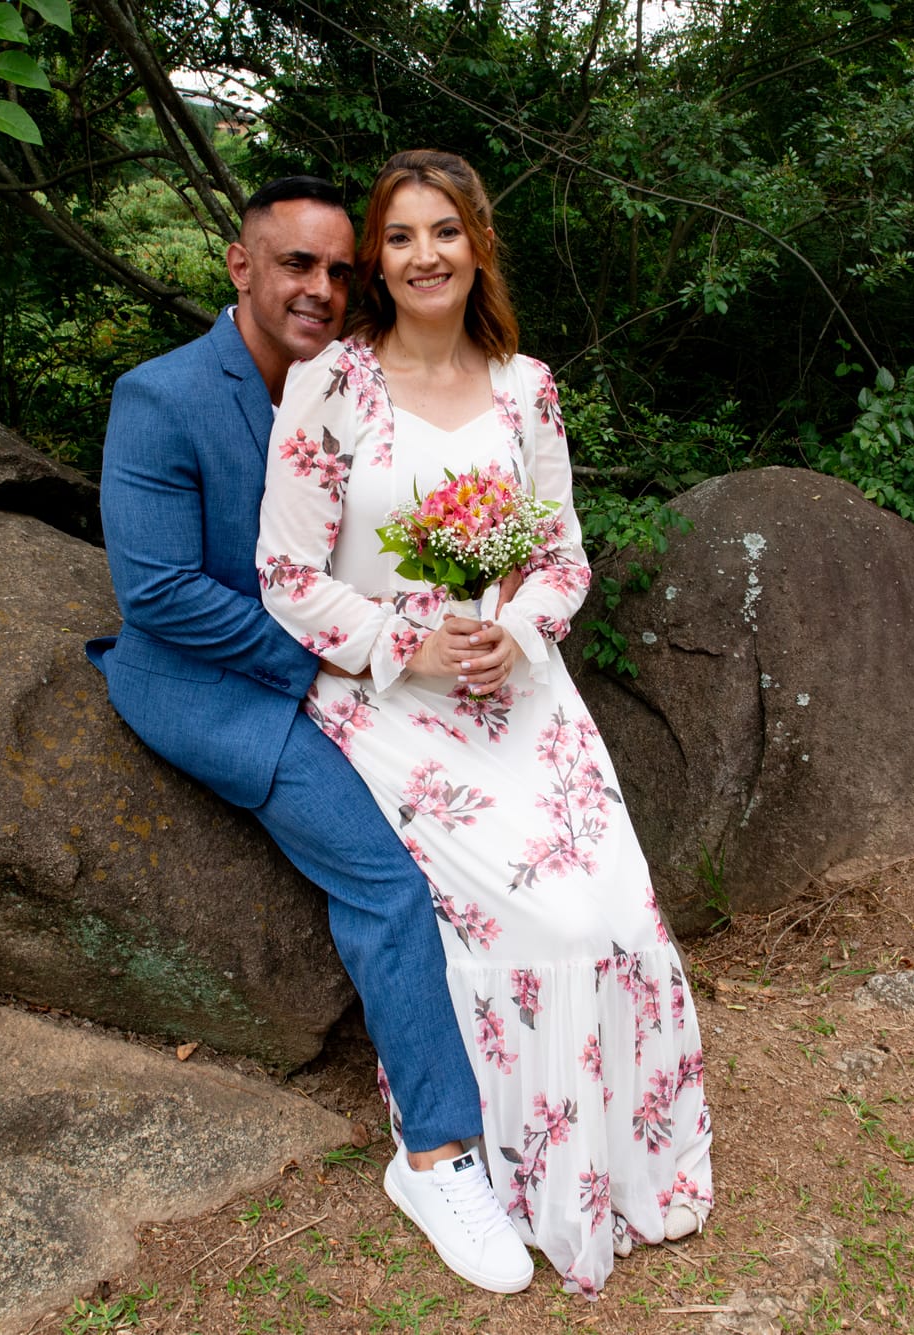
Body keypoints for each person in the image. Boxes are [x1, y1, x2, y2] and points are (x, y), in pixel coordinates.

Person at [255, 150, 714, 1297]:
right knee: (544, 917)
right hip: (386, 697)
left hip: (519, 687)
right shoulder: (330, 386)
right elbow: (284, 575)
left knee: (616, 910)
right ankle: (478, 1167)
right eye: (400, 236)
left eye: (444, 232)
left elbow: (560, 556)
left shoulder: (524, 386)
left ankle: (624, 1165)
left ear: (478, 246)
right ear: (377, 258)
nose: (425, 256)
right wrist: (404, 643)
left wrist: (517, 631)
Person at [86, 177, 534, 1294]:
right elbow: (157, 592)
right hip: (227, 688)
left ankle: (544, 1083)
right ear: (241, 266)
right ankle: (437, 1156)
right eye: (297, 264)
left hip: (361, 663)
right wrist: (335, 661)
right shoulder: (162, 397)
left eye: (341, 270)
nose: (322, 289)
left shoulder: (364, 382)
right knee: (386, 880)